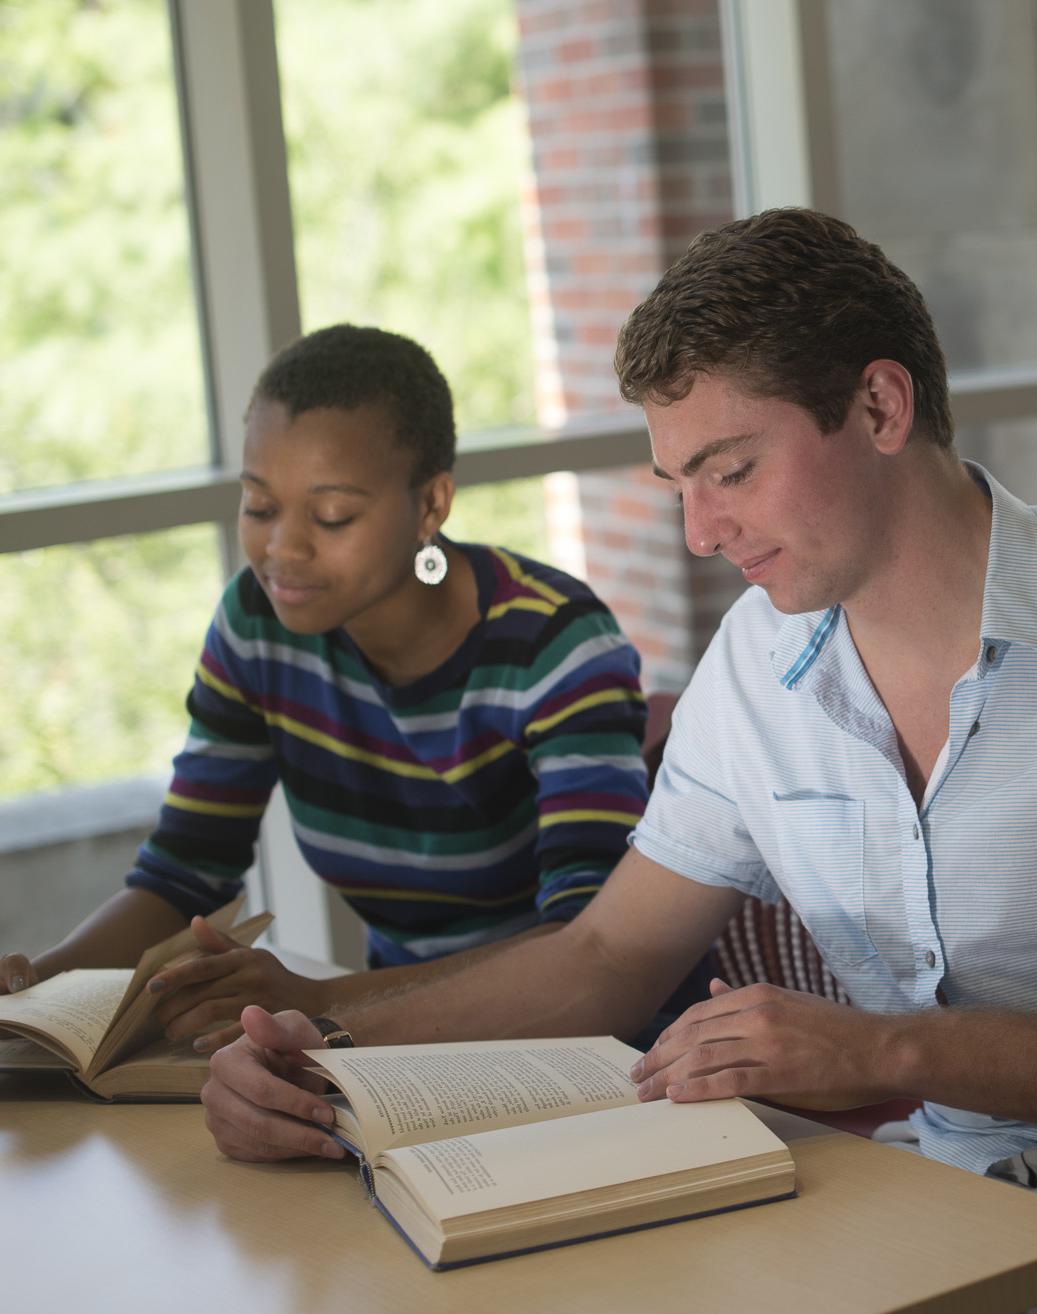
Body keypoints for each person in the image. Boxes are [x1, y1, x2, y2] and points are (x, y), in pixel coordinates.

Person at [198, 214, 1037, 1311]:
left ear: (881, 409)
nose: (700, 532)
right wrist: (323, 1044)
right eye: (679, 483)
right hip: (936, 1186)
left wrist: (886, 1050)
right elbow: (602, 956)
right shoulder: (757, 666)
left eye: (731, 470)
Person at [2, 325, 710, 1048]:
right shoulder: (257, 626)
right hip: (383, 1043)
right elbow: (184, 870)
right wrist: (35, 988)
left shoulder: (553, 644)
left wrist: (321, 1002)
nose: (283, 549)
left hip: (603, 1045)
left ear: (431, 505)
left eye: (332, 515)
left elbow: (586, 940)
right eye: (259, 506)